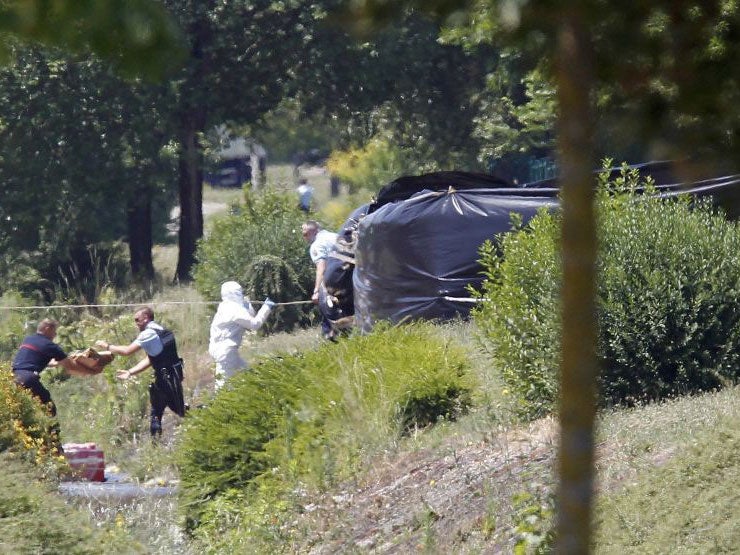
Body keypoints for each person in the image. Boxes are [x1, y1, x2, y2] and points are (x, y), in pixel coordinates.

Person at [96, 307, 185, 439]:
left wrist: (107, 346)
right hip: (172, 377)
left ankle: (207, 416)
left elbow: (127, 351)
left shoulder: (147, 334)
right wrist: (130, 372)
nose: (136, 323)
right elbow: (151, 359)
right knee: (159, 410)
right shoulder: (161, 331)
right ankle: (156, 444)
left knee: (176, 410)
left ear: (146, 318)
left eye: (137, 320)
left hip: (166, 378)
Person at [12, 318, 100, 419]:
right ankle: (51, 431)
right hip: (28, 378)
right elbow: (70, 366)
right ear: (47, 328)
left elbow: (35, 360)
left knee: (20, 411)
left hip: (12, 377)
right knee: (49, 409)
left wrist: (58, 363)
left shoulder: (28, 339)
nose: (55, 335)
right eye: (54, 332)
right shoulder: (50, 346)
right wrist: (91, 371)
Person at [208, 281, 275, 390]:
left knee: (249, 374)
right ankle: (219, 405)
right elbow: (254, 324)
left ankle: (252, 397)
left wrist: (248, 307)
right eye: (239, 292)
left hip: (219, 349)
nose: (241, 294)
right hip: (226, 352)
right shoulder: (235, 310)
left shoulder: (224, 306)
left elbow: (248, 318)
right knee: (222, 388)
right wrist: (267, 307)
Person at [301, 220, 339, 340]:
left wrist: (317, 291)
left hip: (336, 283)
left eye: (305, 234)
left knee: (328, 311)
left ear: (314, 231)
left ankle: (330, 341)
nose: (304, 237)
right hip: (354, 277)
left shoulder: (316, 245)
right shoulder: (335, 236)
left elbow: (321, 267)